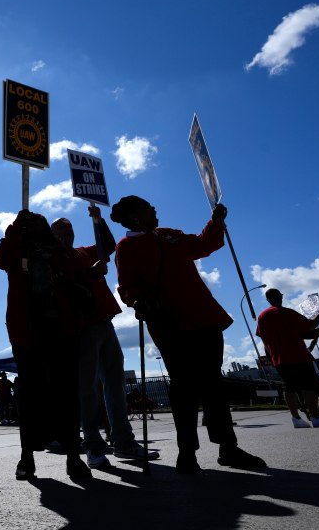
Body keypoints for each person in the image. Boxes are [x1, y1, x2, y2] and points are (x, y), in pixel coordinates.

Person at [110, 195, 266, 474]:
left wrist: (216, 222)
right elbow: (126, 286)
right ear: (135, 216)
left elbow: (204, 244)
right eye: (148, 207)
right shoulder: (127, 246)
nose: (155, 208)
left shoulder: (169, 234)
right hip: (169, 324)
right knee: (183, 388)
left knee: (213, 385)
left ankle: (228, 448)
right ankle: (187, 453)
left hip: (204, 318)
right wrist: (136, 301)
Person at [51, 208, 158, 469]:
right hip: (81, 328)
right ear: (53, 236)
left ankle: (123, 442)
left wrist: (98, 221)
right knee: (87, 390)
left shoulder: (84, 252)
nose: (68, 235)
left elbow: (107, 245)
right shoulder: (54, 259)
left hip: (104, 322)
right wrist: (91, 274)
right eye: (62, 232)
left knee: (115, 384)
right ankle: (93, 446)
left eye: (70, 230)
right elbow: (62, 288)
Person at [0, 210, 90, 482]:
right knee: (30, 395)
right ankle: (27, 456)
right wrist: (14, 228)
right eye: (30, 224)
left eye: (39, 223)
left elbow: (77, 277)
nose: (35, 227)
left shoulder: (59, 252)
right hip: (27, 332)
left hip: (61, 330)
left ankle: (73, 455)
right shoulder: (16, 249)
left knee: (67, 394)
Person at [256, 288, 319, 428]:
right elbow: (309, 327)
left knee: (289, 388)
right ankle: (316, 417)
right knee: (308, 386)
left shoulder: (262, 316)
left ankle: (296, 419)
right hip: (298, 355)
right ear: (280, 297)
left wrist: (272, 355)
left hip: (279, 358)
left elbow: (263, 337)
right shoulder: (287, 313)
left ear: (267, 299)